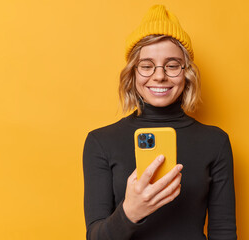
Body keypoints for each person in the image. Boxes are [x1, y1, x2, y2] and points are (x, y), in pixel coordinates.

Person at [83, 5, 237, 240]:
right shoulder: (100, 142)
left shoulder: (215, 142)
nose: (159, 75)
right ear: (133, 73)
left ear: (186, 73)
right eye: (146, 66)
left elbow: (224, 232)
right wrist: (131, 212)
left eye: (172, 64)